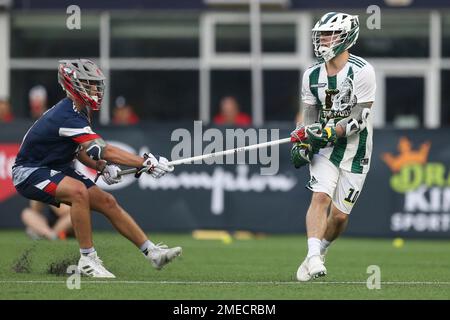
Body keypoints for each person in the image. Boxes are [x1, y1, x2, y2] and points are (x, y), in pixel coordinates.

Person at [12, 59, 181, 278]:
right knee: (78, 192)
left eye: (95, 83)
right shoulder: (67, 114)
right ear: (73, 84)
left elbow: (83, 151)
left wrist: (102, 166)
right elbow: (103, 148)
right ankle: (87, 259)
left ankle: (152, 253)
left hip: (55, 167)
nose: (95, 88)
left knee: (107, 202)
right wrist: (145, 161)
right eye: (89, 83)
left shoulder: (80, 112)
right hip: (30, 171)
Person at [290, 12, 376, 281]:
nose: (323, 39)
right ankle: (313, 256)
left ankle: (321, 249)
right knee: (320, 196)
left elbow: (360, 118)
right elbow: (310, 114)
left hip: (356, 148)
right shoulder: (311, 75)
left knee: (338, 216)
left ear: (346, 37)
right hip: (325, 149)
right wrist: (305, 137)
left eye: (329, 34)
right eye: (321, 35)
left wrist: (327, 132)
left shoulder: (362, 71)